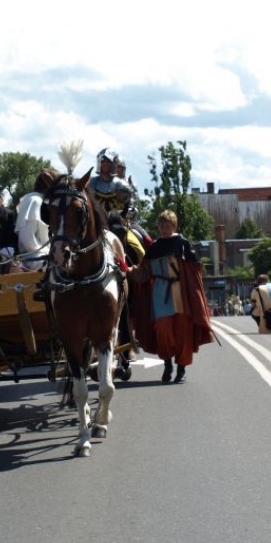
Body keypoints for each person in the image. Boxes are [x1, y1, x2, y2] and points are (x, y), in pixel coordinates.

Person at [130, 209, 213, 384]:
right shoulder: (154, 247)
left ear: (174, 225)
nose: (164, 228)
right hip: (160, 292)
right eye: (161, 225)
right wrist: (133, 271)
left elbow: (193, 272)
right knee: (163, 328)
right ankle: (168, 364)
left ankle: (181, 368)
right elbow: (145, 271)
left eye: (167, 225)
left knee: (183, 330)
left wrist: (195, 296)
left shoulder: (182, 243)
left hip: (180, 291)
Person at [15, 168, 58, 269]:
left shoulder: (48, 202)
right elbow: (27, 239)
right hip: (33, 258)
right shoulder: (34, 200)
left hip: (47, 254)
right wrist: (50, 253)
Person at [87, 148, 132, 214]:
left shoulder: (122, 185)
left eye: (108, 161)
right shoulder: (91, 182)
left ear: (113, 164)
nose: (105, 164)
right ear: (99, 163)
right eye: (103, 161)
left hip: (117, 220)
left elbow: (131, 208)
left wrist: (123, 213)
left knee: (134, 225)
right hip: (96, 218)